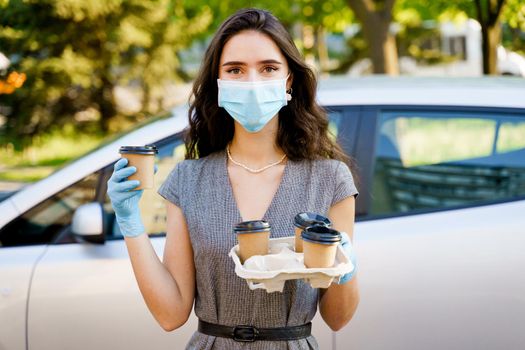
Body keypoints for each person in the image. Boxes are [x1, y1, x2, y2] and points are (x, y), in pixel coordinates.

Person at [107, 8, 359, 350]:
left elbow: (338, 318)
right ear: (219, 83)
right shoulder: (188, 179)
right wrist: (130, 222)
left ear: (289, 80)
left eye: (268, 68)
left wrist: (346, 267)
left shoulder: (330, 179)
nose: (253, 82)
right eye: (235, 70)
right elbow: (170, 315)